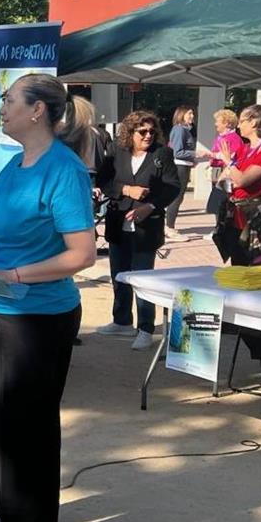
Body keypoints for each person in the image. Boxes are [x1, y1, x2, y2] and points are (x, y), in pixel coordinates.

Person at [0, 74, 95, 522]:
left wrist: (13, 275)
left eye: (10, 100)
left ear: (37, 110)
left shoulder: (64, 169)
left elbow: (81, 254)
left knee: (27, 425)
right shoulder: (15, 163)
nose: (3, 107)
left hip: (38, 317)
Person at [94, 111, 181, 351]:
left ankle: (145, 328)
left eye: (152, 131)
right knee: (118, 274)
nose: (148, 136)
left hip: (147, 225)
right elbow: (103, 180)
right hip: (117, 221)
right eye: (143, 131)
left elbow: (173, 187)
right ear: (130, 132)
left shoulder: (162, 154)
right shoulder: (116, 152)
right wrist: (125, 190)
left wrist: (150, 205)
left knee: (143, 277)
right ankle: (121, 320)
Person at [215, 103, 261, 265]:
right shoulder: (244, 148)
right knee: (237, 260)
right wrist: (232, 173)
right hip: (235, 215)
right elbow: (222, 181)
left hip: (255, 218)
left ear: (254, 122)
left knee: (254, 261)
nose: (238, 125)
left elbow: (242, 179)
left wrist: (229, 164)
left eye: (242, 120)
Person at [165, 105, 199, 240]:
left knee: (178, 197)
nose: (192, 116)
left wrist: (192, 159)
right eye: (189, 113)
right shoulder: (180, 129)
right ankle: (169, 227)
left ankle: (169, 225)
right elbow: (178, 152)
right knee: (177, 197)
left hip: (184, 165)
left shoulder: (185, 130)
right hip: (180, 166)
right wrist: (195, 153)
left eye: (192, 114)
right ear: (181, 115)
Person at [208, 109, 246, 182]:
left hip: (225, 171)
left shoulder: (234, 138)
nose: (215, 124)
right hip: (216, 170)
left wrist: (210, 154)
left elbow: (233, 157)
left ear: (227, 123)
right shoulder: (220, 137)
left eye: (217, 121)